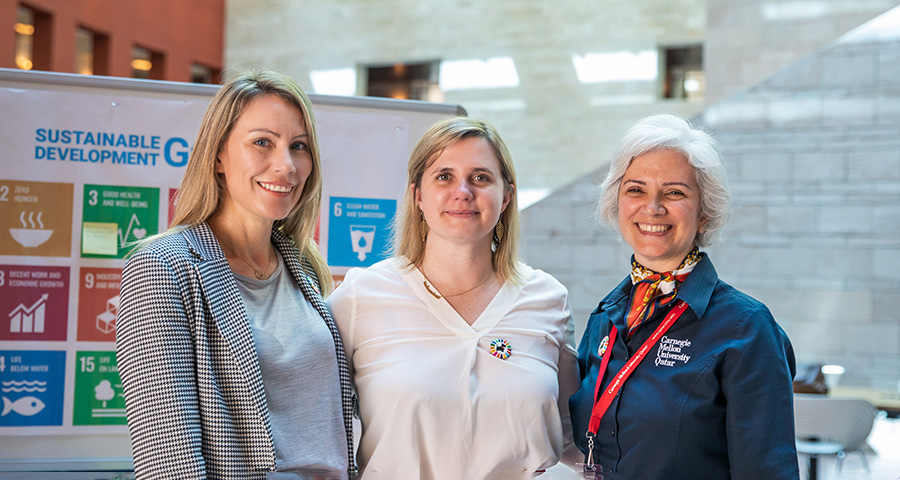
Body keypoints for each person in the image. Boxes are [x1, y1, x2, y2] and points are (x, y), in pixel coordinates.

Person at [116, 69, 356, 479]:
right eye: (262, 142)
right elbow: (168, 460)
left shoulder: (304, 267)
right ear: (218, 156)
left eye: (299, 146)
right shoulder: (165, 267)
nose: (285, 165)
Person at [327, 117, 579, 479]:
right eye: (444, 176)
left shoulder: (548, 299)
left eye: (481, 177)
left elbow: (572, 437)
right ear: (417, 196)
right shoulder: (360, 296)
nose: (463, 191)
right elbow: (317, 430)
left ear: (506, 196)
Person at [569, 114, 799, 479]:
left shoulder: (747, 328)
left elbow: (766, 471)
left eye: (675, 192)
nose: (653, 207)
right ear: (618, 203)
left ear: (704, 212)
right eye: (636, 189)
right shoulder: (606, 315)